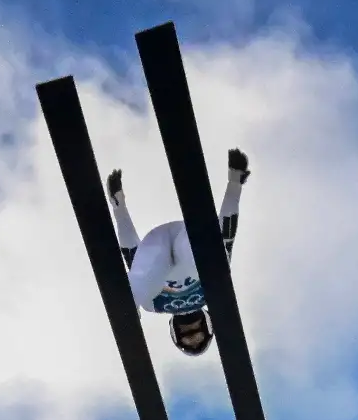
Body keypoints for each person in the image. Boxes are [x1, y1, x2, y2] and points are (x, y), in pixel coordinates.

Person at [105, 148, 251, 356]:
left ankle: (128, 306)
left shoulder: (154, 305)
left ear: (175, 332)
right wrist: (235, 183)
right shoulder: (215, 293)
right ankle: (197, 231)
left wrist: (118, 207)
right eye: (196, 332)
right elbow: (225, 240)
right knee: (217, 270)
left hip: (155, 248)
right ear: (207, 325)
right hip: (188, 243)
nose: (190, 328)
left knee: (142, 296)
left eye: (186, 333)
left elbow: (133, 257)